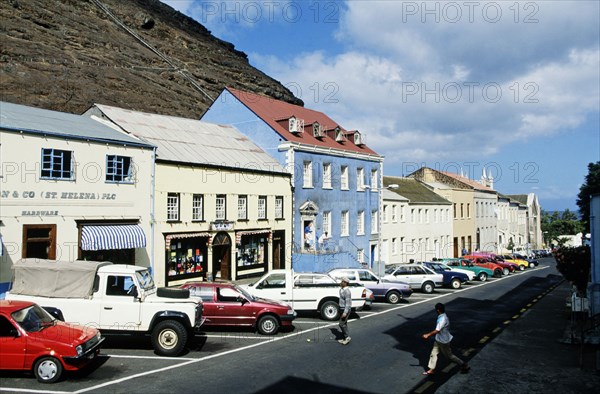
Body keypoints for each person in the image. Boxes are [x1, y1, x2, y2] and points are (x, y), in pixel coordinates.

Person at [421, 303, 469, 375]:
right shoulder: (442, 316)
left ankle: (463, 364)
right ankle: (431, 369)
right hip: (438, 339)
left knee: (449, 356)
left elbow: (437, 330)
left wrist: (428, 334)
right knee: (433, 354)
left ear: (438, 310)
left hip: (444, 341)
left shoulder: (443, 319)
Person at [338, 277, 352, 345]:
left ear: (346, 283)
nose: (341, 282)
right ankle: (344, 337)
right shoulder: (341, 289)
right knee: (344, 324)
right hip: (341, 308)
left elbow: (348, 303)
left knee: (341, 324)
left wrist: (345, 312)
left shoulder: (347, 291)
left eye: (342, 281)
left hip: (345, 309)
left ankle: (347, 337)